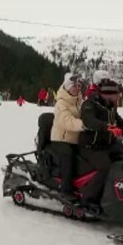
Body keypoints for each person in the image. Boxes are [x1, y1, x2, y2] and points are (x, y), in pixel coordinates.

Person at [79, 77, 123, 208]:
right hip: (91, 147)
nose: (118, 97)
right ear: (107, 95)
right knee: (105, 167)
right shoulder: (89, 104)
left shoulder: (110, 107)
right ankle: (88, 199)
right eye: (116, 95)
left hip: (108, 144)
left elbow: (121, 123)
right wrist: (107, 127)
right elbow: (89, 120)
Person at [50, 73, 86, 201]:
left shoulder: (79, 101)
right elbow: (67, 121)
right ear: (67, 87)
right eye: (73, 86)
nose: (76, 88)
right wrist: (85, 125)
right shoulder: (61, 103)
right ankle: (65, 189)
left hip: (75, 138)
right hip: (61, 139)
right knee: (68, 156)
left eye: (78, 85)